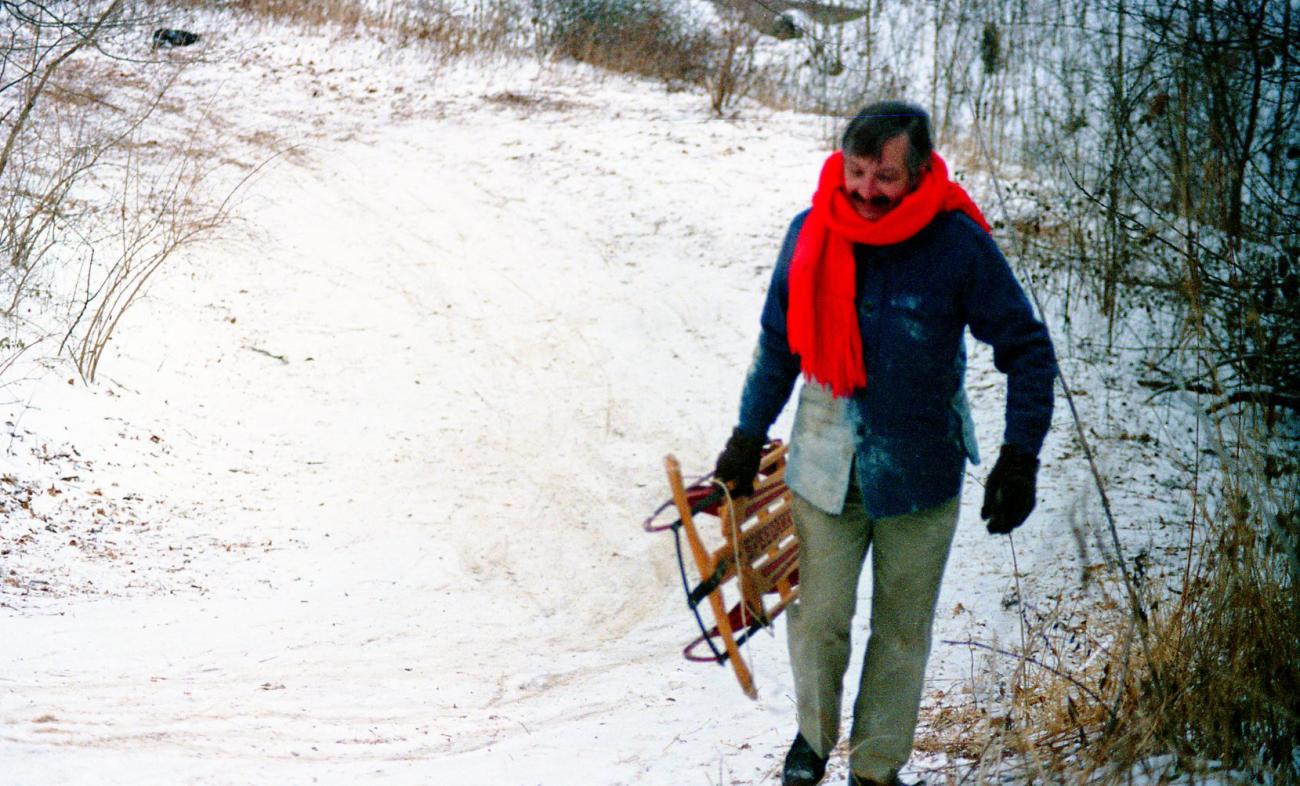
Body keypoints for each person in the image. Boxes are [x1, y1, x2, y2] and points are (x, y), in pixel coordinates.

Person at [713, 101, 1057, 786]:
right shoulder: (809, 232)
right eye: (857, 171)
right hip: (824, 466)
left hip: (921, 474)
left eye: (886, 177)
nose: (867, 192)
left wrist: (1021, 455)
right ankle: (811, 741)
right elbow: (779, 345)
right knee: (820, 622)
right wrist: (747, 435)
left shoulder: (958, 245)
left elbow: (1026, 347)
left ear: (921, 171)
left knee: (901, 632)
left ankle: (876, 768)